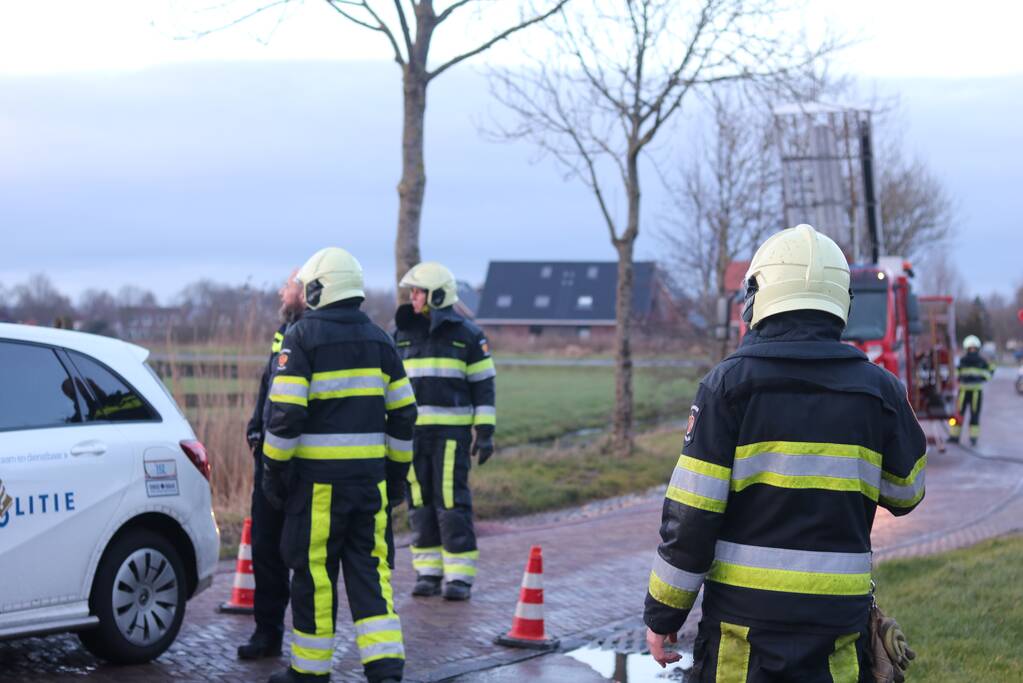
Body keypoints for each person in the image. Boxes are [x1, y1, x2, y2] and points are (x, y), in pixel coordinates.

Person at [644, 225, 927, 682]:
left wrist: (663, 615)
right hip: (837, 625)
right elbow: (907, 491)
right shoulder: (880, 389)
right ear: (841, 302)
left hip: (742, 629)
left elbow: (692, 515)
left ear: (758, 296)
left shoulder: (727, 386)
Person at [263, 247, 417, 683]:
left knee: (314, 576)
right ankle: (386, 669)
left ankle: (310, 673)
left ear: (318, 288)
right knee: (371, 572)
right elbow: (405, 413)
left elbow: (285, 416)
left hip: (317, 489)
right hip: (371, 486)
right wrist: (396, 473)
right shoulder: (381, 340)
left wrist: (274, 470)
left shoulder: (301, 337)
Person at [394, 262, 495, 602]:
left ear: (437, 294)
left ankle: (459, 577)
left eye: (419, 292)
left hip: (451, 436)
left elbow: (483, 387)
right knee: (419, 501)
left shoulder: (467, 335)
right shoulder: (402, 333)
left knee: (452, 502)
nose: (413, 298)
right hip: (411, 437)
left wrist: (485, 431)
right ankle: (428, 572)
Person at [237, 268, 305, 660]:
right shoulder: (284, 333)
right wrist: (254, 426)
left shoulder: (312, 335)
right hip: (268, 462)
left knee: (299, 553)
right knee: (264, 548)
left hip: (301, 464)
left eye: (289, 285)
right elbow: (270, 386)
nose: (282, 290)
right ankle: (268, 634)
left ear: (308, 291)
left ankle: (308, 643)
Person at [948, 334, 997, 446]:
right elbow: (990, 373)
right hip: (975, 392)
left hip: (965, 392)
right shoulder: (982, 361)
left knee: (961, 414)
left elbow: (957, 375)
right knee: (972, 415)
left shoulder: (963, 360)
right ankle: (973, 439)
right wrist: (985, 375)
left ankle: (955, 437)